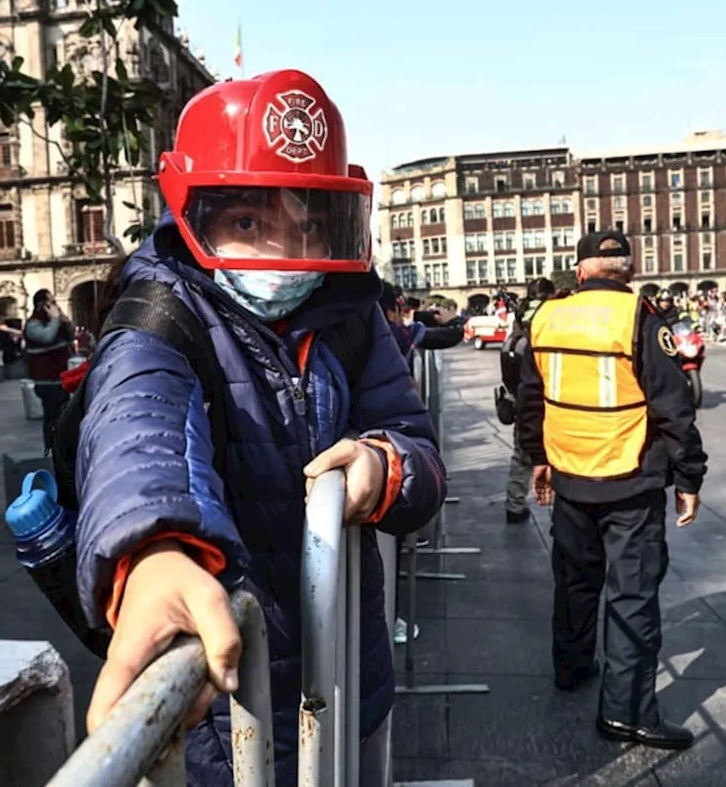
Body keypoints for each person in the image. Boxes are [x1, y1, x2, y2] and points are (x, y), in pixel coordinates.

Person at [75, 69, 447, 784]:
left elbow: (420, 454)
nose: (282, 249)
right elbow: (139, 428)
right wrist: (155, 555)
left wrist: (383, 465)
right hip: (231, 710)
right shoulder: (160, 317)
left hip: (350, 675)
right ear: (191, 211)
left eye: (307, 219)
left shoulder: (350, 310)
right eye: (248, 222)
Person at [515, 230, 707, 750]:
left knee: (575, 581)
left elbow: (531, 395)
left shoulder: (547, 316)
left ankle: (572, 668)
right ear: (628, 270)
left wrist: (537, 458)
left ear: (579, 271)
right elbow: (673, 406)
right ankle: (626, 713)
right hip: (629, 476)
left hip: (569, 471)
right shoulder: (639, 317)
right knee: (632, 595)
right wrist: (689, 476)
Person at [498, 277, 554, 524]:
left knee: (521, 458)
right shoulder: (541, 330)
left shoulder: (514, 336)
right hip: (543, 403)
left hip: (518, 402)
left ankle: (514, 504)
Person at [24, 289, 75, 451]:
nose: (55, 305)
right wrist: (54, 320)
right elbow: (46, 337)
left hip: (59, 377)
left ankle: (63, 448)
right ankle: (51, 448)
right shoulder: (33, 324)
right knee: (52, 416)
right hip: (45, 379)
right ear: (42, 305)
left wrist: (64, 321)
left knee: (64, 415)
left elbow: (69, 336)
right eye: (51, 302)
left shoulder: (55, 321)